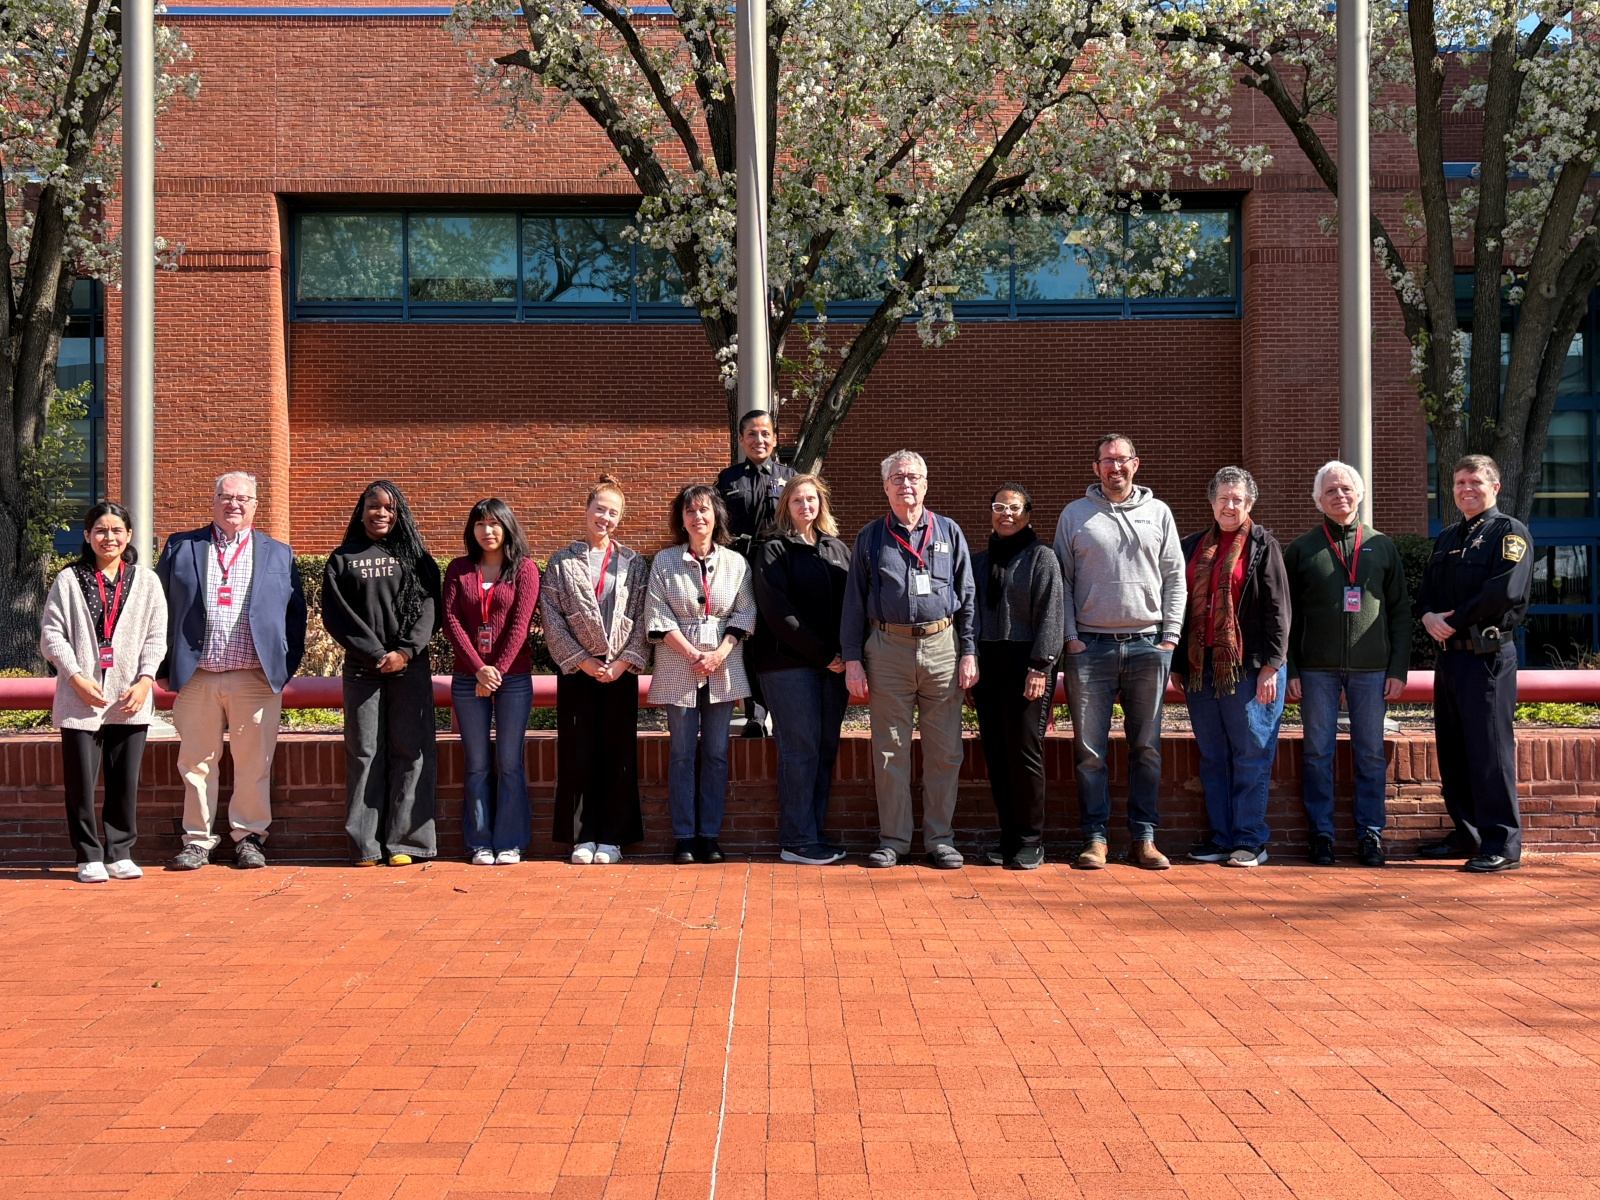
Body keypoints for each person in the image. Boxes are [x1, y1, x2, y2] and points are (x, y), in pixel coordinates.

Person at [157, 471, 307, 870]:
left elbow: (296, 616)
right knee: (195, 764)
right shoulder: (181, 546)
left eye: (243, 498)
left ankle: (249, 837)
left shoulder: (279, 553)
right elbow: (160, 610)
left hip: (254, 677)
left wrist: (284, 665)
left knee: (253, 764)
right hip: (197, 676)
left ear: (256, 505)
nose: (234, 504)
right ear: (213, 500)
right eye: (225, 496)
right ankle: (198, 842)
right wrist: (162, 667)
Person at [1052, 434, 1185, 870]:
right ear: (1095, 468)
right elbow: (1063, 583)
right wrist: (1071, 637)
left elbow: (1174, 578)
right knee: (1089, 751)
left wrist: (1170, 636)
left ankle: (1144, 838)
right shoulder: (1075, 515)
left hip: (1148, 646)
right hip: (1089, 648)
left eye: (1122, 460)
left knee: (1146, 748)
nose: (1115, 467)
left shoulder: (1159, 513)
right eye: (1107, 461)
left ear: (1136, 464)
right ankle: (1095, 838)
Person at [841, 450, 979, 870]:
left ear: (926, 484)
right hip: (887, 649)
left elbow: (968, 598)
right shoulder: (870, 537)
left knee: (944, 752)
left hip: (942, 646)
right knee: (890, 751)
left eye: (914, 477)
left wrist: (969, 651)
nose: (907, 485)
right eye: (898, 478)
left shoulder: (950, 532)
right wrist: (852, 659)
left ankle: (940, 839)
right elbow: (853, 604)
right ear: (885, 486)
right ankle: (894, 841)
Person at [1283, 461, 1412, 867]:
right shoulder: (1302, 550)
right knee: (1317, 753)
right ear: (1318, 499)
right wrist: (1292, 668)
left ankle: (1370, 834)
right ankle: (1321, 835)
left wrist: (1398, 669)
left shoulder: (1382, 546)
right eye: (1330, 491)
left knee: (1371, 754)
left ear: (1359, 494)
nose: (1339, 496)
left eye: (1346, 489)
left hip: (1372, 670)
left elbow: (1401, 613)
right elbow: (1284, 616)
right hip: (1316, 669)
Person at [40, 503, 168, 883]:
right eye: (99, 530)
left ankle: (120, 850)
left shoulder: (146, 582)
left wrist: (146, 680)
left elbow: (156, 636)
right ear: (86, 536)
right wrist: (75, 676)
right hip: (80, 697)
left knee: (124, 781)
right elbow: (52, 634)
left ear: (128, 536)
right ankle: (87, 854)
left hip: (130, 697)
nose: (108, 537)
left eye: (116, 530)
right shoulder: (68, 580)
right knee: (80, 780)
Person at [1417, 454, 1532, 873]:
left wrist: (1454, 620)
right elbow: (1427, 588)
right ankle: (1469, 834)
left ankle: (1501, 842)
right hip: (1449, 661)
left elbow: (1504, 592)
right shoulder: (1448, 536)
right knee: (1454, 751)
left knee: (1490, 752)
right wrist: (1428, 615)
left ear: (1495, 488)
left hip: (1487, 659)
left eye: (1475, 482)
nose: (1466, 488)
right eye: (1459, 482)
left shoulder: (1509, 532)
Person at [1173, 467, 1290, 869]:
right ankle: (1222, 838)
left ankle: (1250, 840)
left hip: (1248, 667)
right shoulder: (1192, 546)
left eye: (1238, 499)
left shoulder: (1263, 546)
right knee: (1213, 756)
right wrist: (1178, 663)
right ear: (1211, 502)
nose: (1230, 505)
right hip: (1200, 667)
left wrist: (1272, 667)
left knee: (1250, 754)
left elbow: (1278, 611)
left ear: (1250, 503)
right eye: (1223, 498)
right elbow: (1180, 607)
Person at [322, 480, 442, 867]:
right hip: (363, 668)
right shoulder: (342, 558)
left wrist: (404, 652)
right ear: (361, 511)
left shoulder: (417, 558)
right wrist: (375, 653)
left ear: (399, 513)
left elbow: (429, 608)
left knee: (411, 749)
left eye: (389, 507)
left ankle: (407, 842)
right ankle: (366, 846)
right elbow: (337, 615)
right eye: (373, 506)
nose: (381, 513)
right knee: (364, 752)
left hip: (409, 666)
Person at [541, 475, 650, 864]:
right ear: (586, 511)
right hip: (577, 674)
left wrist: (622, 663)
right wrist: (585, 662)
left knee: (618, 755)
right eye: (599, 509)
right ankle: (582, 837)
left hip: (620, 673)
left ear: (620, 519)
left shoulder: (634, 564)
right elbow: (552, 620)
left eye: (613, 513)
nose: (605, 517)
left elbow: (643, 616)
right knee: (577, 753)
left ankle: (613, 838)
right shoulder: (561, 562)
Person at [647, 484, 757, 864]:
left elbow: (745, 613)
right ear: (681, 518)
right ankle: (683, 837)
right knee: (681, 753)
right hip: (680, 664)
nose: (698, 517)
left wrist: (719, 653)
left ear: (716, 516)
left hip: (723, 668)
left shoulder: (736, 563)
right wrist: (695, 654)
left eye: (705, 510)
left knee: (715, 752)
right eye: (690, 511)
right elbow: (657, 616)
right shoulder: (664, 561)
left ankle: (709, 835)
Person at [751, 473, 852, 866]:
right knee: (800, 750)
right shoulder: (773, 550)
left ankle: (814, 833)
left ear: (821, 505)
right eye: (797, 501)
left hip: (836, 667)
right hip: (788, 665)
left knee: (824, 749)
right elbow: (778, 614)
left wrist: (848, 654)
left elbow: (854, 606)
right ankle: (796, 839)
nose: (805, 506)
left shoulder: (838, 549)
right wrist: (824, 653)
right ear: (785, 507)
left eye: (811, 499)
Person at [970, 483, 1064, 870]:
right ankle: (1007, 838)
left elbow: (1051, 614)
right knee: (996, 754)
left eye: (1014, 507)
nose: (1006, 514)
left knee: (1024, 753)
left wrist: (1040, 667)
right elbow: (968, 616)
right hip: (987, 664)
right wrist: (970, 664)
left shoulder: (1041, 558)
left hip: (1026, 664)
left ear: (1028, 513)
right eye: (999, 507)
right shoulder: (978, 561)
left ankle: (1030, 840)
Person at [442, 498, 540, 866]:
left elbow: (520, 626)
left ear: (507, 527)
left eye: (495, 523)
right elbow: (451, 623)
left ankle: (511, 841)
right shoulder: (458, 570)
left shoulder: (525, 569)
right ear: (472, 530)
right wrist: (478, 669)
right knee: (477, 763)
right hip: (469, 679)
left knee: (510, 761)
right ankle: (479, 842)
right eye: (480, 524)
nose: (488, 531)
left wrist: (494, 671)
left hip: (512, 678)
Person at [717, 409, 795, 738]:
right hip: (741, 570)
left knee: (780, 636)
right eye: (751, 434)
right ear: (741, 439)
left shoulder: (790, 477)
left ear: (775, 439)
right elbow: (719, 529)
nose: (758, 440)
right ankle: (755, 713)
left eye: (765, 433)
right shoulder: (727, 479)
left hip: (779, 570)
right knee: (747, 639)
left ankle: (784, 708)